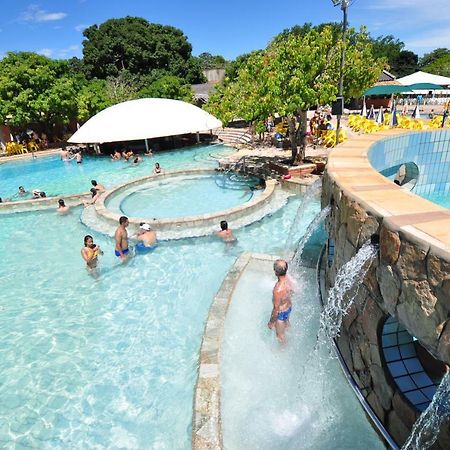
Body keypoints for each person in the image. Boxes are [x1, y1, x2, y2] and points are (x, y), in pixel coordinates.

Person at [268, 259, 293, 344]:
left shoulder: (278, 290)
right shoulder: (289, 280)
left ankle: (282, 352)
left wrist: (271, 321)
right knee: (286, 325)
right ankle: (291, 336)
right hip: (288, 308)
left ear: (275, 273)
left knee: (280, 336)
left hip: (281, 314)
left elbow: (276, 309)